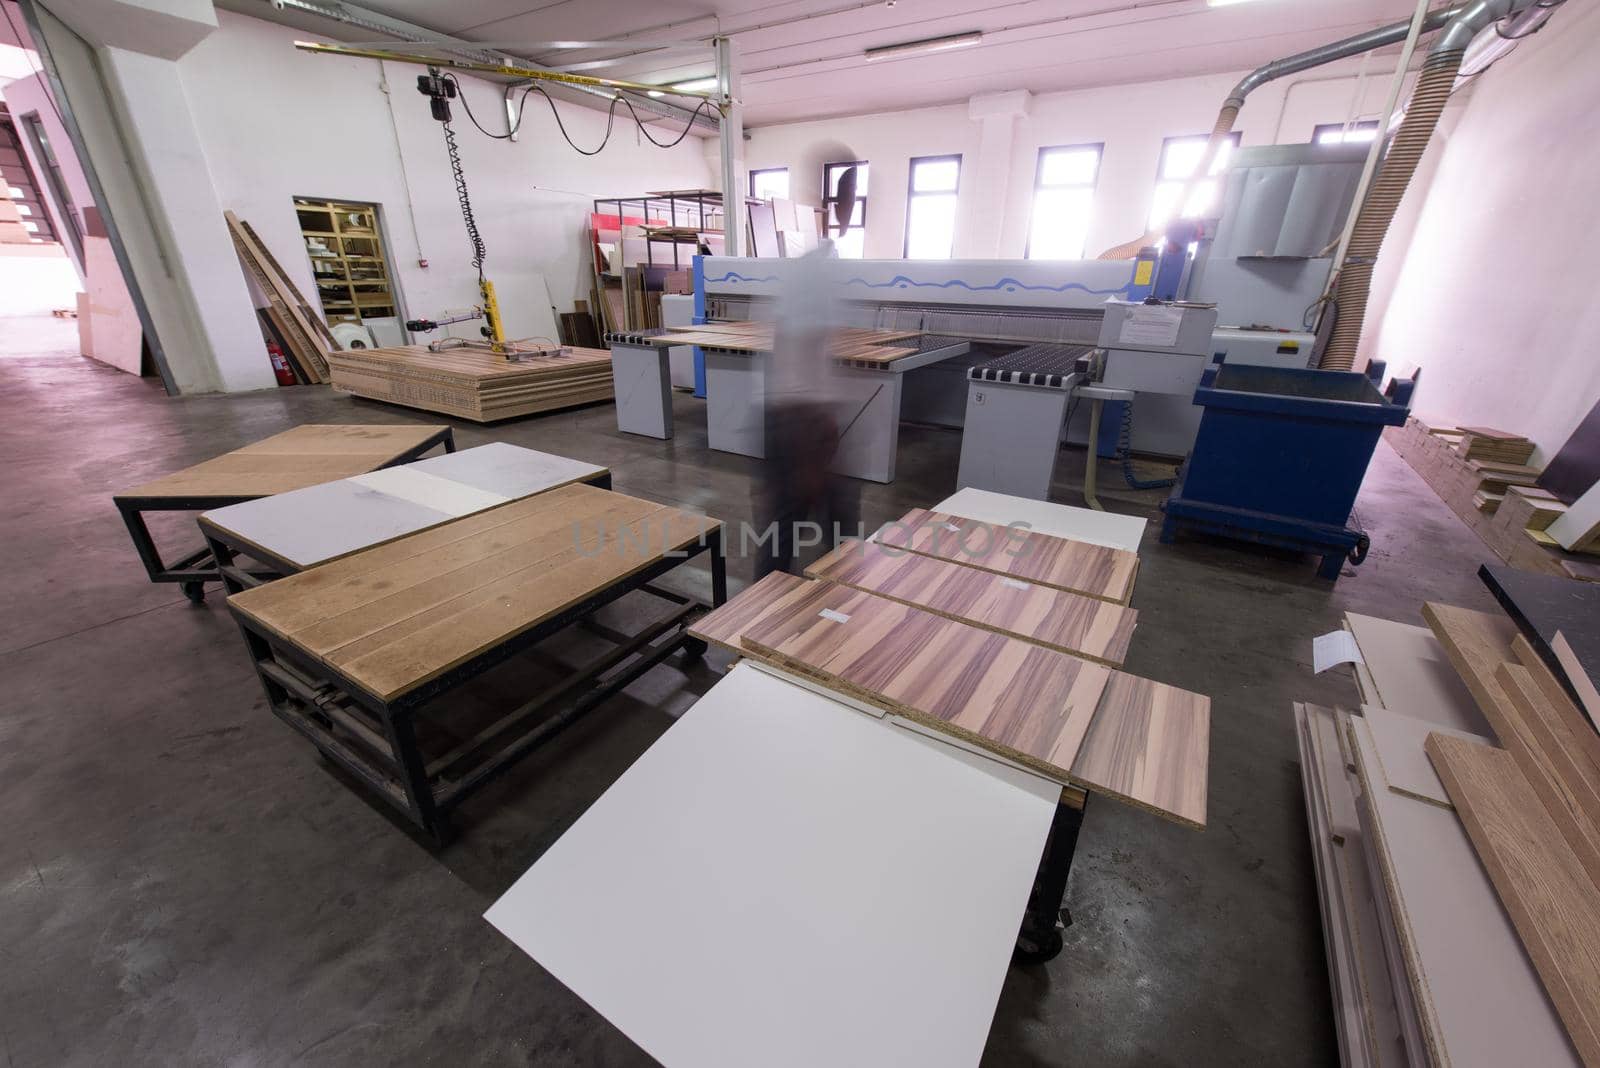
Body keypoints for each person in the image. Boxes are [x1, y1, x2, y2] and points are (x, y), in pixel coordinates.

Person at [754, 165, 863, 578]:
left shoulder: (817, 264)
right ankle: (774, 616)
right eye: (851, 196)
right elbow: (797, 348)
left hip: (801, 418)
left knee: (815, 522)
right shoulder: (815, 271)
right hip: (797, 422)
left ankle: (833, 603)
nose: (853, 206)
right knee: (792, 526)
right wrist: (809, 451)